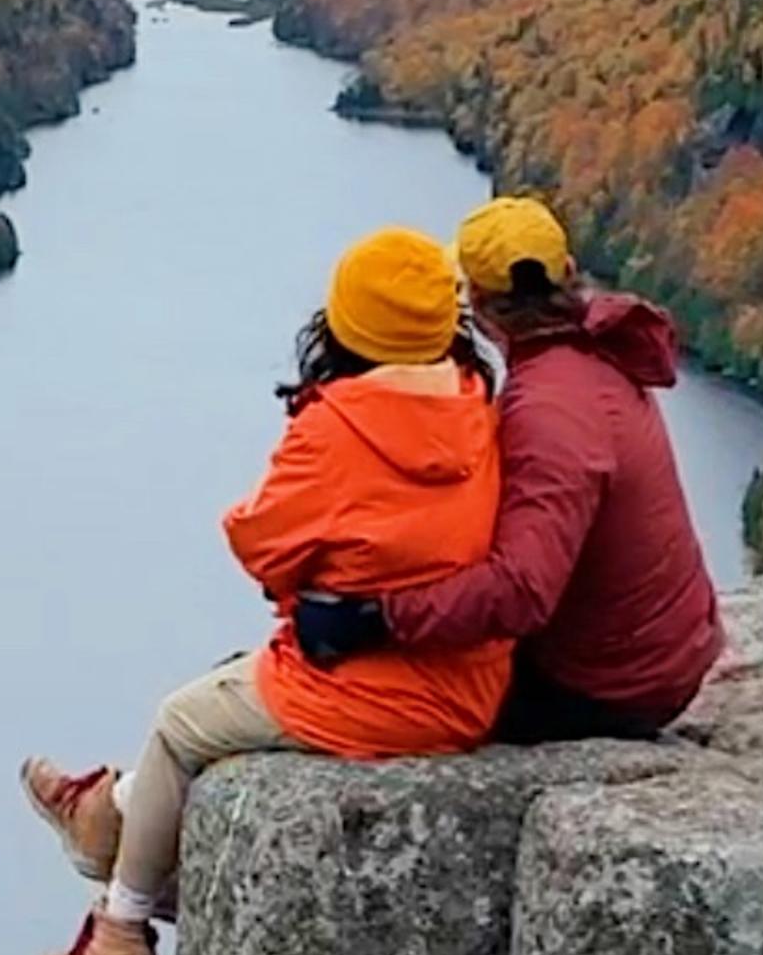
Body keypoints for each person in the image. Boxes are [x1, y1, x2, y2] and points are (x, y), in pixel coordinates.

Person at [19, 226, 514, 955]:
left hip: (375, 689)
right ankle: (103, 815)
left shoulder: (337, 427)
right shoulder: (473, 401)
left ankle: (119, 932)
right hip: (467, 679)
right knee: (226, 683)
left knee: (179, 725)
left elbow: (262, 544)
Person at [309, 195, 722, 739]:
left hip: (609, 689)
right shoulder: (597, 354)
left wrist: (377, 617)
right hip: (666, 650)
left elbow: (522, 590)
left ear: (480, 305)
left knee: (363, 691)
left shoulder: (548, 411)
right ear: (567, 271)